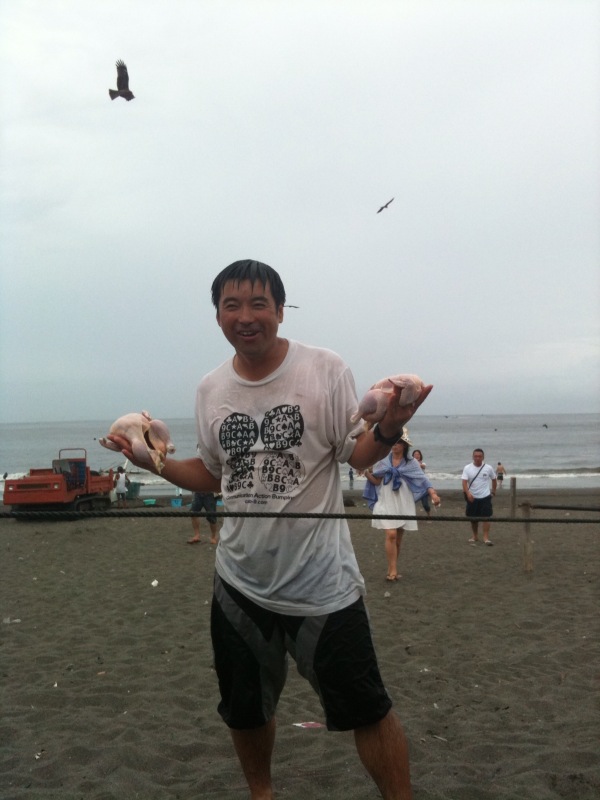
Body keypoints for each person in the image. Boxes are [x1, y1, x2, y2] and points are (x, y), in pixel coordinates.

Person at [108, 259, 433, 800]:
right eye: (231, 305)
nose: (245, 316)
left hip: (323, 584)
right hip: (240, 582)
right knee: (246, 711)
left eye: (259, 304)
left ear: (281, 310)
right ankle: (262, 794)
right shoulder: (211, 389)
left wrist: (391, 426)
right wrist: (153, 463)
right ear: (217, 315)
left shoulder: (325, 369)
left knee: (368, 709)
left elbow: (355, 455)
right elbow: (213, 476)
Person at [364, 431, 440, 580]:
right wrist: (366, 472)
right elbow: (377, 481)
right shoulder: (384, 461)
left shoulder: (411, 463)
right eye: (393, 442)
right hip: (386, 501)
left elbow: (423, 480)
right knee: (391, 534)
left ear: (404, 446)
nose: (394, 445)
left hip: (403, 502)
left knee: (397, 539)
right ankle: (392, 571)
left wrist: (433, 494)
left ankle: (392, 568)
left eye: (398, 442)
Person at [462, 449, 497, 546]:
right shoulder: (467, 468)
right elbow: (464, 482)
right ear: (473, 457)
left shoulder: (488, 468)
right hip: (472, 496)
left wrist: (493, 492)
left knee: (486, 517)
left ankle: (486, 537)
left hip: (485, 496)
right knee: (473, 518)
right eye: (476, 456)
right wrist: (468, 493)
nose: (477, 458)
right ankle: (475, 536)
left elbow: (494, 479)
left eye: (480, 456)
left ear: (483, 457)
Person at [411, 449, 432, 516]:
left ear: (420, 456)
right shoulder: (410, 464)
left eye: (418, 454)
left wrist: (415, 463)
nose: (417, 456)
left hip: (423, 487)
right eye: (415, 454)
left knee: (425, 504)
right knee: (411, 502)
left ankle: (429, 515)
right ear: (413, 456)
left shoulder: (423, 463)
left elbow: (423, 466)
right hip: (414, 487)